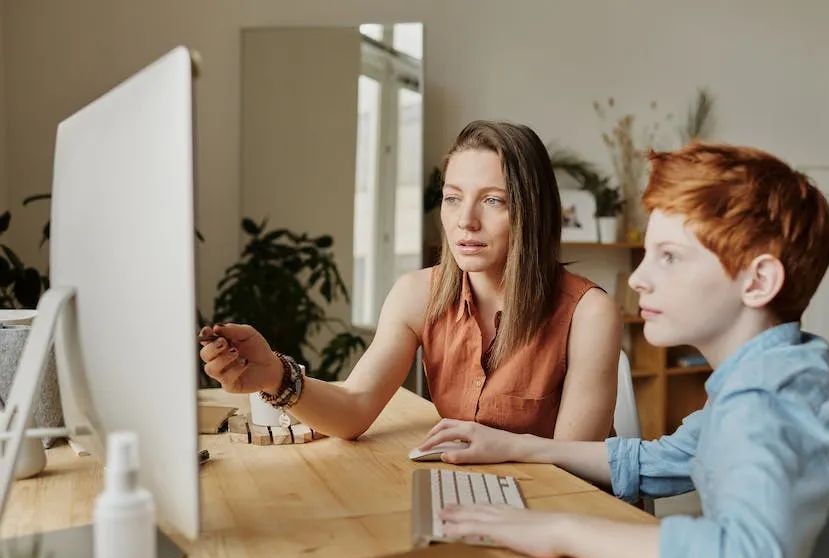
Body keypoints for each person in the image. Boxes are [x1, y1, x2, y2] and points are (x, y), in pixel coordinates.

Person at [418, 143, 829, 558]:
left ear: (757, 282)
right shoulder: (777, 372)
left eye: (669, 257)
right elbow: (656, 460)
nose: (638, 280)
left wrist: (563, 531)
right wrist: (515, 445)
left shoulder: (769, 400)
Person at [200, 120, 621, 441]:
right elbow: (353, 408)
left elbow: (574, 468)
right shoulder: (418, 294)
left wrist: (490, 452)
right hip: (473, 498)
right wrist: (275, 375)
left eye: (493, 200)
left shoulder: (589, 313)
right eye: (453, 197)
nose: (465, 221)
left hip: (559, 512)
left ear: (533, 212)